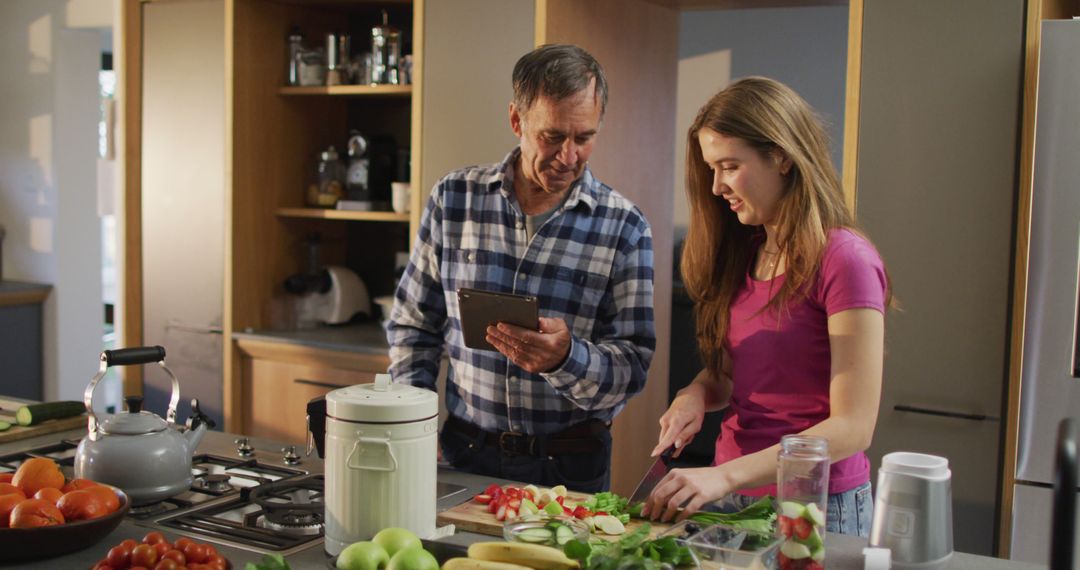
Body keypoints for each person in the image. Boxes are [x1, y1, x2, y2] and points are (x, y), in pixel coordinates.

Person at [386, 44, 655, 493]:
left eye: (584, 137)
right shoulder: (454, 198)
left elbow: (634, 365)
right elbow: (414, 325)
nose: (569, 156)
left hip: (570, 465)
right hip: (465, 452)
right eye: (552, 136)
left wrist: (568, 359)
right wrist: (414, 420)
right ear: (516, 121)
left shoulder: (624, 225)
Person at [641, 77, 892, 537]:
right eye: (711, 169)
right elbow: (727, 374)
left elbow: (854, 427)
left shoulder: (844, 259)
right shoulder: (747, 250)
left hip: (814, 505)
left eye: (730, 166)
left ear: (781, 156)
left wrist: (722, 475)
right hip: (728, 497)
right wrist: (693, 395)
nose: (716, 186)